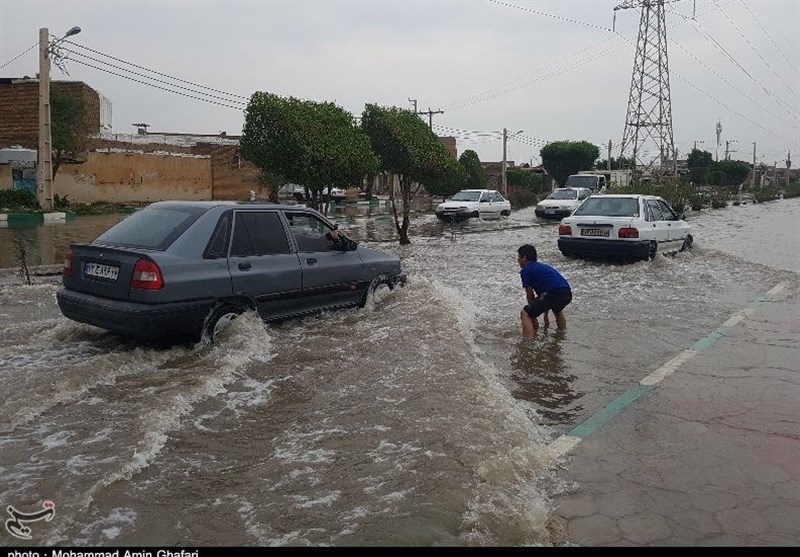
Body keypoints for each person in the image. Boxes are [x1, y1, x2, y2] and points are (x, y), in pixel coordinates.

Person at [517, 243, 572, 337]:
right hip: (566, 292)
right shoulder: (542, 267)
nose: (517, 260)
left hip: (553, 293)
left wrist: (532, 315)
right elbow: (544, 297)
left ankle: (528, 343)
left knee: (525, 313)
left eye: (518, 257)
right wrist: (545, 318)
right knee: (557, 310)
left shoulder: (526, 270)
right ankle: (562, 334)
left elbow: (530, 294)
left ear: (524, 258)